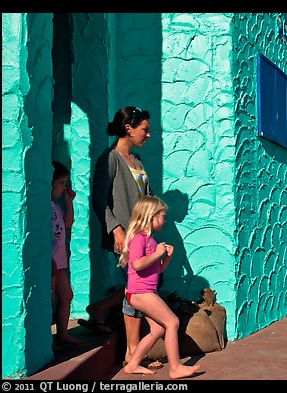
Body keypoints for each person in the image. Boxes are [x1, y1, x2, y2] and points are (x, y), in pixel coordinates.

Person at [78, 106, 162, 369]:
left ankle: (100, 309)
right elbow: (99, 199)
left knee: (136, 288)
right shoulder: (110, 159)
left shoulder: (136, 160)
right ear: (128, 128)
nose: (148, 135)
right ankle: (132, 351)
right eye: (144, 130)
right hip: (124, 235)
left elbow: (147, 196)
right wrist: (115, 229)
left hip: (141, 236)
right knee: (136, 290)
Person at [118, 196, 201, 378]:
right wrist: (157, 254)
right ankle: (175, 368)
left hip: (147, 291)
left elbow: (157, 269)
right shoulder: (138, 238)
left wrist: (166, 257)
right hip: (140, 292)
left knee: (158, 329)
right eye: (162, 216)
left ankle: (132, 365)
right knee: (172, 322)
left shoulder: (151, 240)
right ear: (151, 216)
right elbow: (137, 265)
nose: (165, 220)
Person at [51, 161, 84, 346]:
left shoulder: (55, 206)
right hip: (51, 263)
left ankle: (62, 333)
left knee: (66, 295)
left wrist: (68, 202)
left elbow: (68, 223)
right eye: (62, 183)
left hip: (60, 262)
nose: (65, 188)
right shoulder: (44, 207)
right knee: (50, 298)